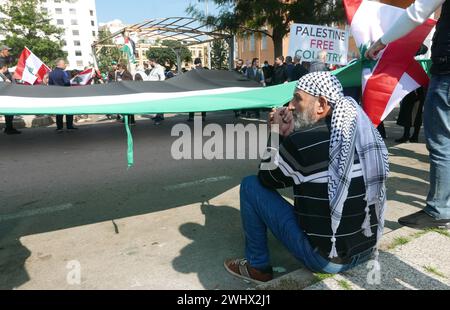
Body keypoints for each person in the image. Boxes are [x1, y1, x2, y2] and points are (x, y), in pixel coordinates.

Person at [224, 72, 389, 284]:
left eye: (298, 98)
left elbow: (266, 179)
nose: (290, 106)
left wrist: (276, 133)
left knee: (250, 185)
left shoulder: (304, 141)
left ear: (321, 104)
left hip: (329, 260)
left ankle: (258, 268)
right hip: (367, 249)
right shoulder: (364, 134)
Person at [366, 0, 450, 229]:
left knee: (442, 143)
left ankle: (439, 210)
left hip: (447, 71)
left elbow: (417, 12)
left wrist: (381, 41)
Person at [48, 59, 77, 133]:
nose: (65, 65)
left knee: (59, 112)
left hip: (56, 95)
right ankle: (69, 126)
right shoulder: (63, 73)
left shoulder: (51, 73)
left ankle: (59, 128)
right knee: (69, 111)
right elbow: (67, 83)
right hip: (65, 94)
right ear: (60, 64)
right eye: (64, 64)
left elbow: (50, 85)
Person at [0, 45, 21, 135]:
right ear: (3, 51)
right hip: (5, 85)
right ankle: (9, 128)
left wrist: (11, 77)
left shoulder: (4, 59)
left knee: (9, 107)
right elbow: (0, 71)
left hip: (8, 85)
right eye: (7, 50)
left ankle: (9, 127)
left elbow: (5, 70)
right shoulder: (0, 59)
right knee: (8, 106)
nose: (9, 52)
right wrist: (5, 78)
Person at [147, 58, 166, 125]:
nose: (149, 63)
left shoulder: (159, 68)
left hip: (157, 88)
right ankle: (159, 115)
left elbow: (162, 77)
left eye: (149, 61)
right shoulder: (154, 68)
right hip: (152, 88)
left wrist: (159, 86)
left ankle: (159, 118)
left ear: (153, 61)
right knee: (156, 103)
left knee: (158, 103)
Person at [188, 58, 206, 122]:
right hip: (202, 89)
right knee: (203, 104)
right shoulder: (204, 70)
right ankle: (203, 117)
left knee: (192, 103)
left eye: (195, 63)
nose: (195, 65)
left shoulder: (193, 70)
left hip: (194, 89)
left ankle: (191, 117)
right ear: (200, 63)